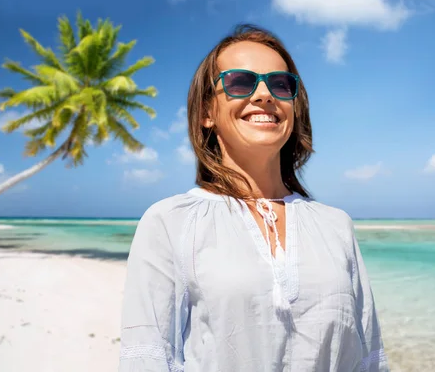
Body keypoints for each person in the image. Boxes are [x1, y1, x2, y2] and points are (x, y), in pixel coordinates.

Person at [118, 24, 389, 372]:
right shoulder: (171, 222)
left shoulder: (335, 225)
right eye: (240, 82)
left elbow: (367, 358)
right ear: (206, 113)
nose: (264, 94)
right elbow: (147, 358)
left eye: (280, 84)